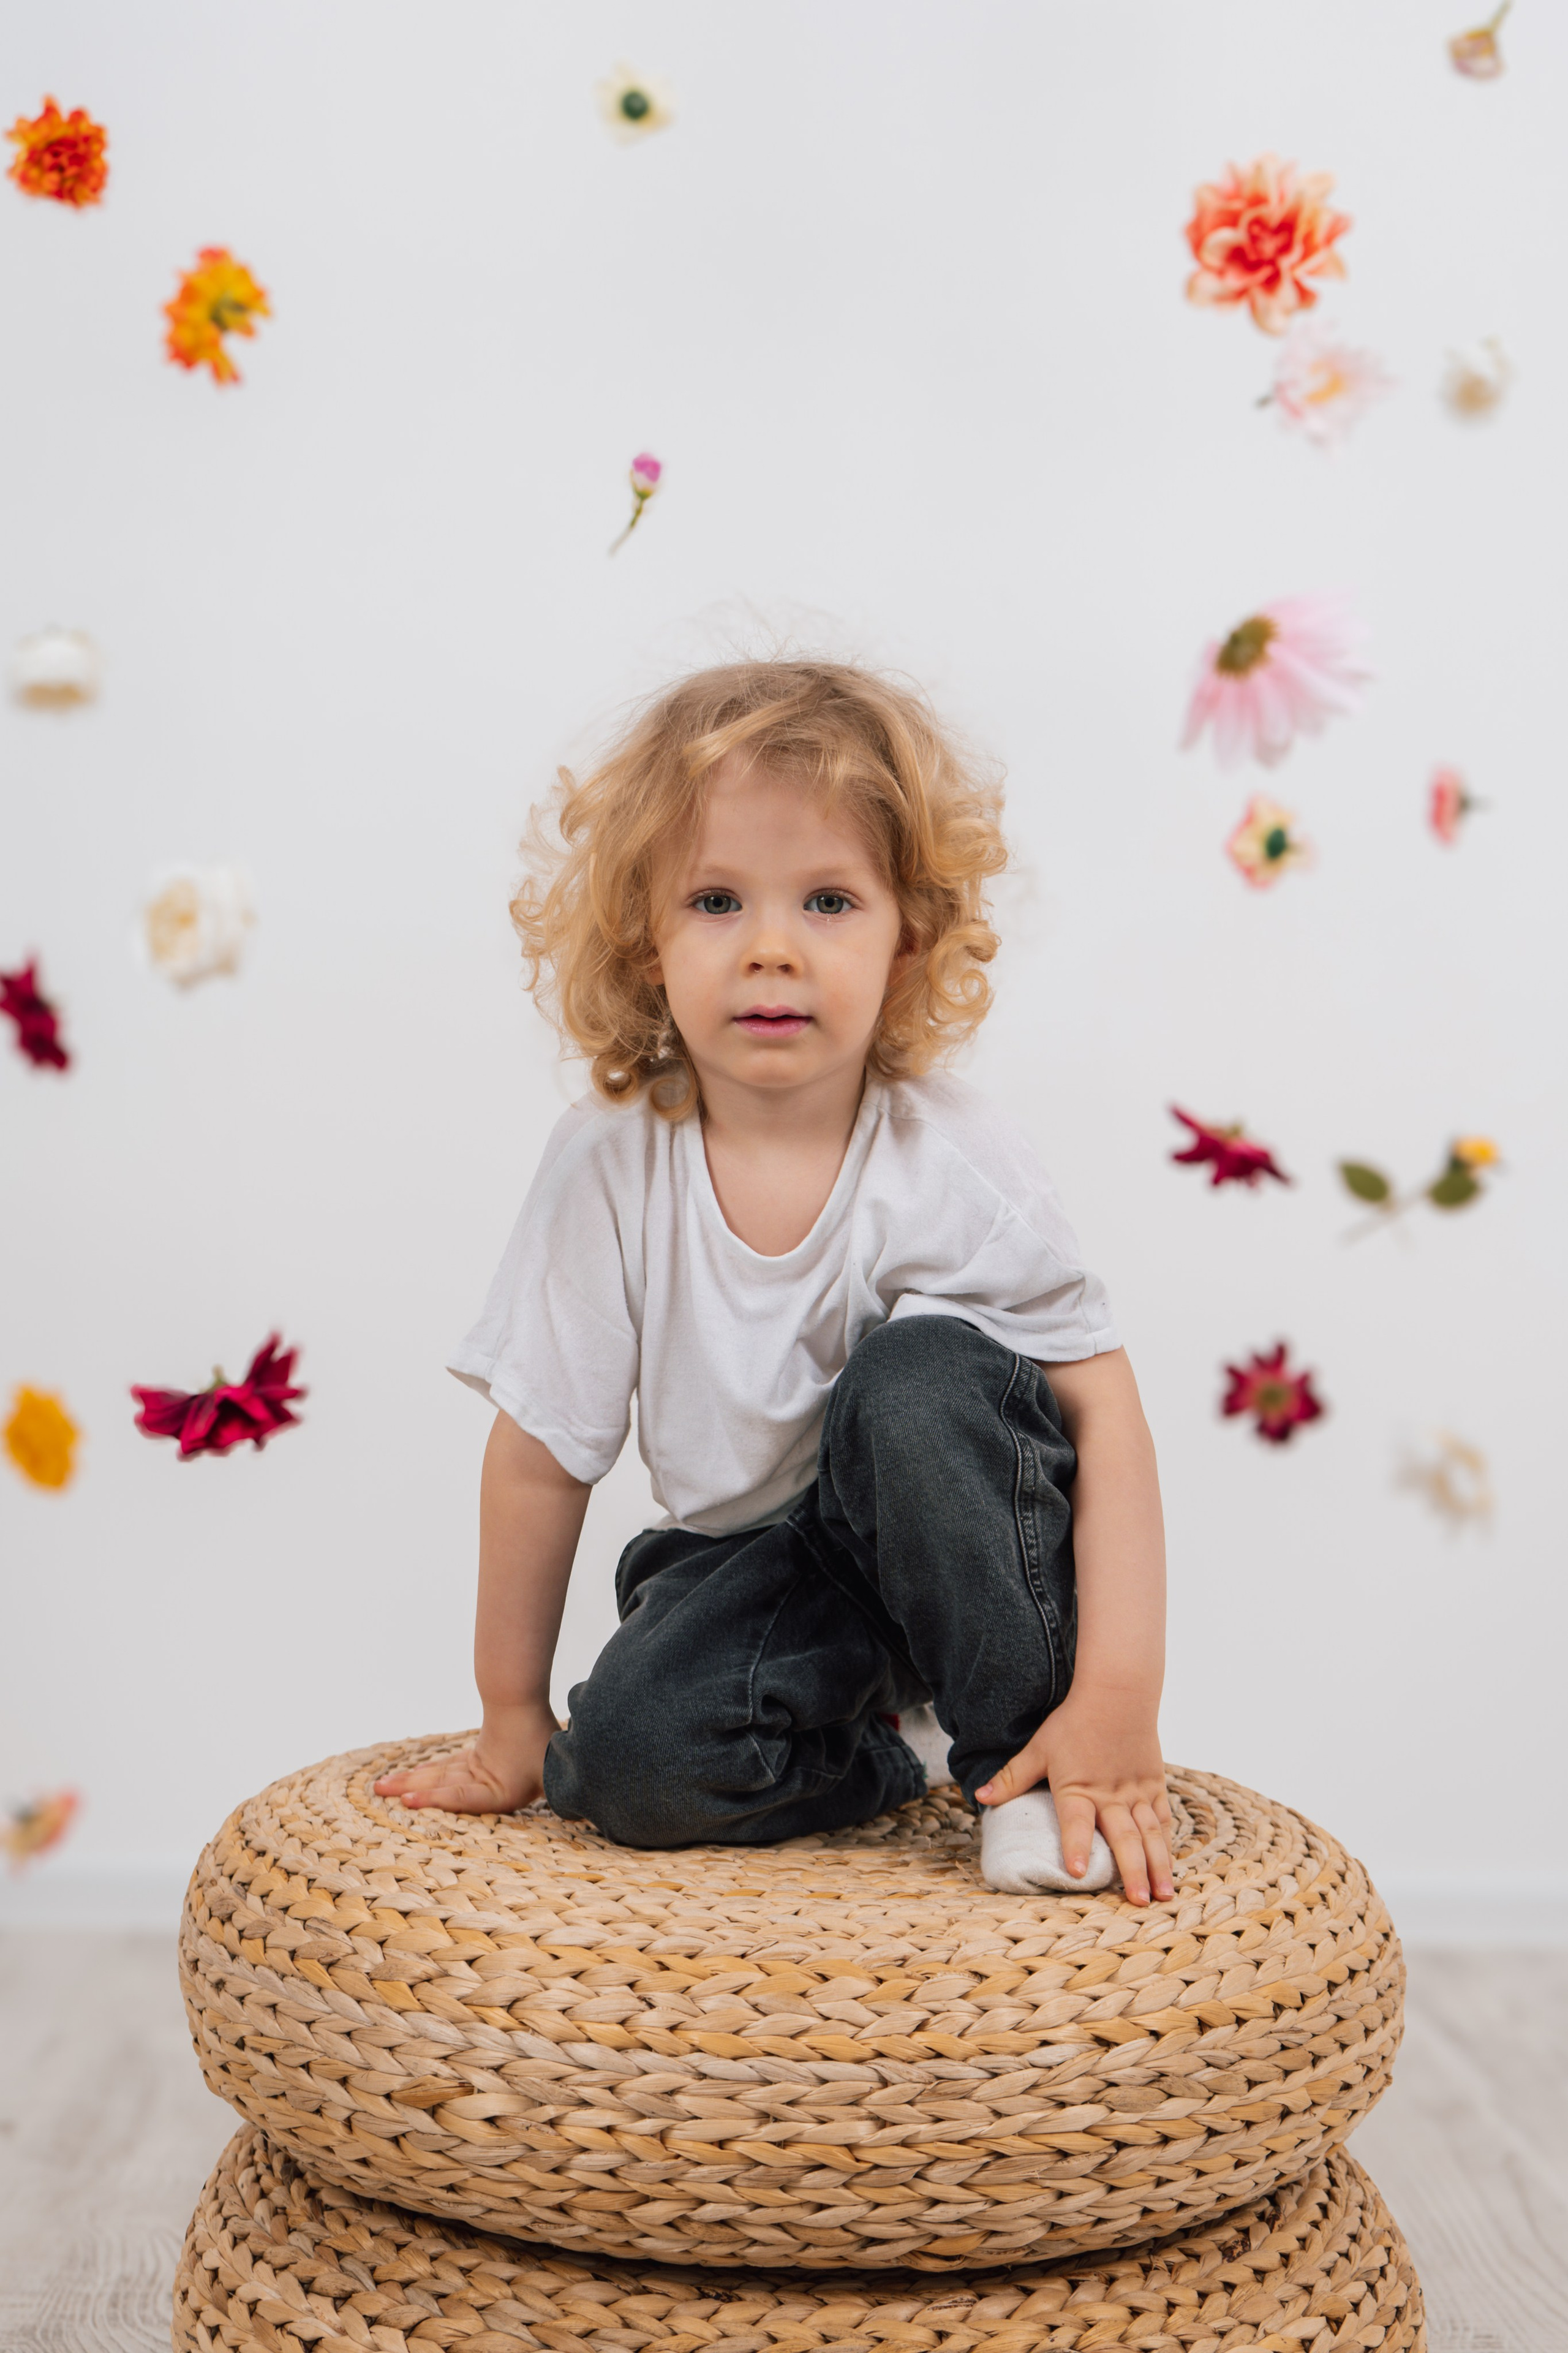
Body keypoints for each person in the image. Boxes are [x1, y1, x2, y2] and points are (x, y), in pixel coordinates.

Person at [375, 660, 1173, 1903]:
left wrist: (1117, 1693)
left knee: (919, 1382)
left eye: (825, 901)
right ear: (645, 944)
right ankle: (877, 1756)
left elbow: (1097, 1409)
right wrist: (510, 1713)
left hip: (946, 1541)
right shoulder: (609, 1160)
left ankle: (1015, 1767)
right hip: (745, 1574)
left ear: (906, 944)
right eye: (712, 899)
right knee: (624, 1769)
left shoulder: (949, 1154)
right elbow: (541, 1450)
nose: (768, 949)